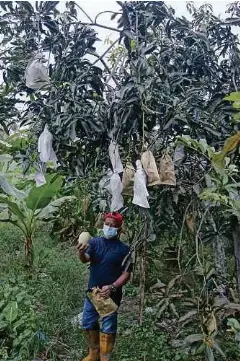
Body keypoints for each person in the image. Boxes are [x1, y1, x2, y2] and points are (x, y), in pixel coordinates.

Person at [77, 212, 132, 361]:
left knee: (108, 328)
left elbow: (126, 274)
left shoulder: (124, 250)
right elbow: (85, 259)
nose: (108, 227)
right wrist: (81, 253)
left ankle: (105, 358)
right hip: (93, 292)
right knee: (88, 322)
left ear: (119, 230)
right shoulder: (94, 242)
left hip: (110, 296)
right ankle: (93, 353)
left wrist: (113, 287)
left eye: (113, 226)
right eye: (107, 224)